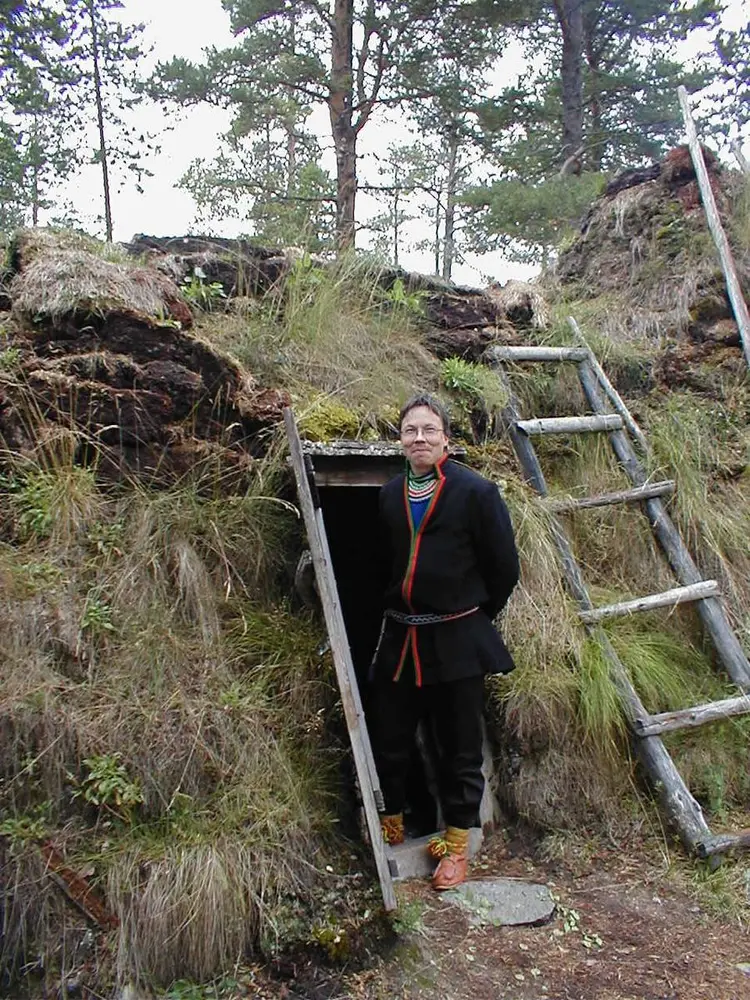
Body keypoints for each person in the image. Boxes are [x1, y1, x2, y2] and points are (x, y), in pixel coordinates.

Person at [369, 393, 520, 891]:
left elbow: (504, 569)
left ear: (446, 439)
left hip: (457, 639)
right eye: (411, 430)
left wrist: (468, 618)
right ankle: (393, 828)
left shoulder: (477, 493)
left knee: (459, 748)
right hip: (399, 639)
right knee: (389, 741)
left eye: (429, 430)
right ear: (400, 440)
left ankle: (456, 848)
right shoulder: (389, 495)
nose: (420, 438)